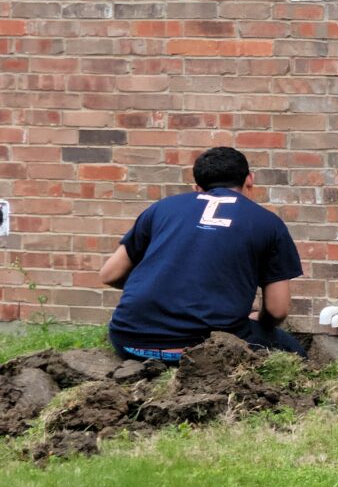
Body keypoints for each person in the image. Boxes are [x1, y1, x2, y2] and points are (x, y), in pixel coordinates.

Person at [99, 146, 312, 362]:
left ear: (198, 187)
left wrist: (163, 288)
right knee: (294, 351)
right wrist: (259, 319)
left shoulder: (161, 209)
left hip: (129, 342)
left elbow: (109, 275)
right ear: (250, 180)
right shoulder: (269, 224)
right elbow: (277, 310)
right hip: (205, 351)